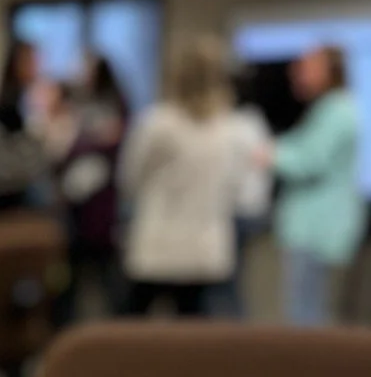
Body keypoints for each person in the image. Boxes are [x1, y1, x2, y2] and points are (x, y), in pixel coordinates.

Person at [120, 36, 242, 317]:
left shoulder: (157, 123)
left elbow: (130, 178)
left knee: (131, 329)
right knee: (191, 333)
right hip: (204, 252)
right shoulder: (231, 128)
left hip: (158, 248)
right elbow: (235, 187)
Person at [268, 45, 364, 326]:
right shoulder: (326, 110)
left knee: (306, 316)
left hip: (316, 229)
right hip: (312, 228)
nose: (297, 73)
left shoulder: (337, 111)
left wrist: (269, 154)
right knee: (304, 310)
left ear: (330, 72)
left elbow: (310, 161)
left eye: (308, 67)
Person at [52, 54, 130, 326]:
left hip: (104, 205)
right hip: (76, 208)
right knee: (71, 276)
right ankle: (65, 327)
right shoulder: (76, 106)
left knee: (107, 274)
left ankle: (118, 328)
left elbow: (119, 143)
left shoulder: (116, 104)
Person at [210, 66, 272, 317]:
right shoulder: (255, 120)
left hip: (238, 211)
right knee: (230, 283)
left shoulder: (232, 124)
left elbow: (228, 174)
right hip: (255, 208)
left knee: (226, 285)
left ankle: (234, 330)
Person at [0, 39, 47, 213]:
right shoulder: (9, 104)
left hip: (12, 189)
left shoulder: (23, 98)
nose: (37, 67)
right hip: (4, 195)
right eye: (31, 61)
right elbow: (13, 163)